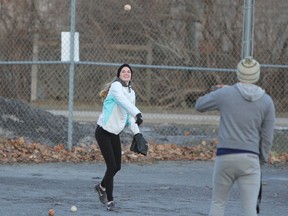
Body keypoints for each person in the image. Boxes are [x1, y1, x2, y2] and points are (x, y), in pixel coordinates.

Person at [195, 57, 275, 216]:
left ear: (238, 73)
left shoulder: (225, 93)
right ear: (257, 75)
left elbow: (200, 105)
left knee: (218, 203)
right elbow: (267, 136)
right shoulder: (267, 101)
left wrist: (220, 92)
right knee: (249, 209)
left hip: (225, 156)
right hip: (250, 158)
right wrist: (262, 158)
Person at [94, 63, 143, 211]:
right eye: (123, 71)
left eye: (129, 71)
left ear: (131, 75)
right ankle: (110, 202)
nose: (126, 73)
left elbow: (128, 116)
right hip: (103, 132)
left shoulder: (131, 93)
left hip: (114, 134)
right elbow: (123, 102)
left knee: (117, 167)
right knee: (112, 166)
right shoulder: (116, 87)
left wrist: (137, 133)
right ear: (119, 74)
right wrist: (138, 113)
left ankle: (101, 187)